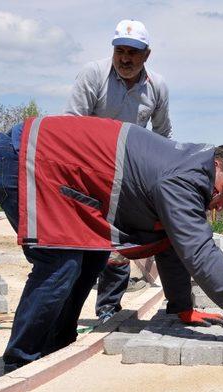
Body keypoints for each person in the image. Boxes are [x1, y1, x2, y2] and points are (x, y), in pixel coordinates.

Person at [0, 115, 223, 372]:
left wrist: (182, 307)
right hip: (25, 158)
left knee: (91, 256)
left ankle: (56, 344)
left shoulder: (186, 165)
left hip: (51, 167)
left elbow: (172, 244)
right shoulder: (186, 176)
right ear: (216, 165)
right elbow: (199, 251)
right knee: (60, 263)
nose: (219, 205)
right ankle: (21, 362)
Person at [64, 19, 172, 322]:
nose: (125, 58)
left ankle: (108, 309)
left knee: (118, 245)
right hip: (86, 169)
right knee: (77, 241)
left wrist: (159, 177)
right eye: (120, 51)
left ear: (146, 55)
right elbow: (71, 124)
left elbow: (162, 134)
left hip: (126, 174)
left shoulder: (157, 87)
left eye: (133, 53)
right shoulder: (93, 74)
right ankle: (65, 311)